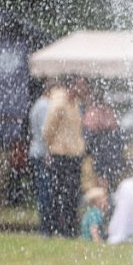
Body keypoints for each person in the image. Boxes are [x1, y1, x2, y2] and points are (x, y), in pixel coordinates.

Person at [43, 76, 87, 238]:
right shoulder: (59, 103)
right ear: (73, 87)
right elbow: (48, 129)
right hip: (61, 154)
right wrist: (51, 147)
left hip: (74, 154)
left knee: (72, 193)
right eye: (81, 86)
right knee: (57, 192)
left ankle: (69, 229)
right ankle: (50, 228)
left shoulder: (75, 104)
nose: (84, 91)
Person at [82, 82, 125, 191]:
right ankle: (105, 195)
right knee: (107, 179)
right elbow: (115, 127)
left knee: (102, 179)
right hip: (109, 152)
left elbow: (88, 136)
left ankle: (103, 196)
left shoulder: (93, 113)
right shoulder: (107, 112)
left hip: (102, 152)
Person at [28, 81, 53, 236]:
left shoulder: (38, 104)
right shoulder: (45, 106)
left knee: (43, 189)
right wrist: (48, 153)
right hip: (42, 153)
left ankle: (45, 226)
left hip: (37, 151)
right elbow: (45, 132)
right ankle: (46, 227)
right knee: (45, 190)